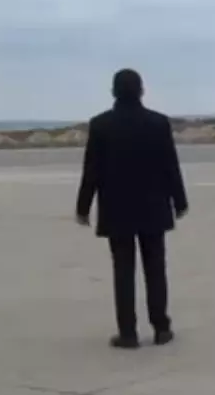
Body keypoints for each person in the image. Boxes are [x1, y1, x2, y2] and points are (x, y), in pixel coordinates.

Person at [76, 68, 188, 349]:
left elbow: (91, 170)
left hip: (117, 209)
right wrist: (180, 201)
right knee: (155, 268)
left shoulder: (100, 125)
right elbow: (170, 166)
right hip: (153, 207)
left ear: (114, 92)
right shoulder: (158, 123)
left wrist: (83, 206)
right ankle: (161, 327)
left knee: (123, 271)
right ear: (141, 91)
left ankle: (128, 333)